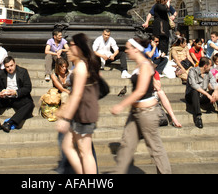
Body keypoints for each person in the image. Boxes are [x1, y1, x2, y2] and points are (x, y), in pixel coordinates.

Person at [111, 37, 171, 174]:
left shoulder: (144, 65)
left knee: (155, 149)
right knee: (126, 145)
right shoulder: (140, 65)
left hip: (147, 113)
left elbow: (141, 91)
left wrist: (121, 105)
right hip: (136, 112)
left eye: (128, 48)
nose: (125, 51)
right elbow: (152, 84)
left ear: (136, 49)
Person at [56, 33, 100, 174]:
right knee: (69, 146)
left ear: (79, 47)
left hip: (84, 113)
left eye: (71, 46)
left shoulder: (81, 67)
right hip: (80, 112)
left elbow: (77, 95)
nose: (68, 49)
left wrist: (66, 117)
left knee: (85, 152)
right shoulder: (81, 65)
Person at [0, 56, 34, 132]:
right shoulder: (1, 73)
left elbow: (27, 88)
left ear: (15, 64)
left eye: (11, 65)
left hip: (18, 98)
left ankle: (10, 122)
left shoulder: (23, 72)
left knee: (29, 104)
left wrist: (16, 92)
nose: (10, 68)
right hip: (5, 98)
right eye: (7, 67)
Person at [185, 56, 218, 129]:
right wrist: (207, 94)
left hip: (202, 97)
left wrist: (215, 91)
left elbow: (214, 83)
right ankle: (198, 117)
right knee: (195, 91)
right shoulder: (192, 71)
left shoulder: (208, 73)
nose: (211, 68)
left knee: (216, 91)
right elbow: (194, 85)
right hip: (191, 96)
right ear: (205, 66)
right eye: (210, 66)